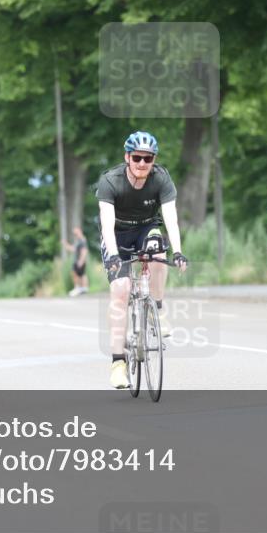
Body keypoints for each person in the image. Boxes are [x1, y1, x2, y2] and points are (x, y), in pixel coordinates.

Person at [97, 131, 188, 389]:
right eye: (137, 157)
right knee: (120, 289)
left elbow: (171, 218)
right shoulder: (110, 181)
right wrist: (114, 256)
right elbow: (106, 223)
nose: (142, 163)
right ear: (127, 157)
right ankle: (118, 364)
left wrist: (178, 251)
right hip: (117, 235)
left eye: (148, 159)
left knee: (158, 253)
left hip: (146, 228)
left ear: (153, 160)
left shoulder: (161, 178)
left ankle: (157, 307)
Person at [63, 227, 89, 296]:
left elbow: (84, 251)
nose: (75, 235)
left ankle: (78, 288)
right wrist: (66, 245)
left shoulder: (82, 240)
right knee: (81, 274)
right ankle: (83, 288)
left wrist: (81, 260)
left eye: (76, 233)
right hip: (79, 261)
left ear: (80, 231)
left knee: (75, 273)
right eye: (74, 234)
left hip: (79, 261)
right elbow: (73, 249)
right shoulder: (79, 241)